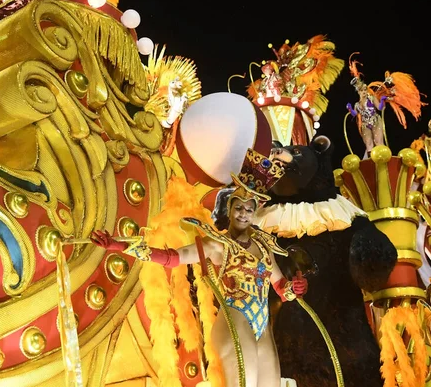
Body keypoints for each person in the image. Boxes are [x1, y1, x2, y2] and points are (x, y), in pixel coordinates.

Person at [91, 149, 308, 387]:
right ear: (230, 209)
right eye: (239, 207)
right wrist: (120, 246)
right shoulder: (217, 244)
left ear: (254, 212)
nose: (243, 214)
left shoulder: (265, 247)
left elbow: (280, 288)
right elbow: (172, 258)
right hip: (236, 321)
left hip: (262, 326)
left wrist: (295, 288)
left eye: (249, 209)